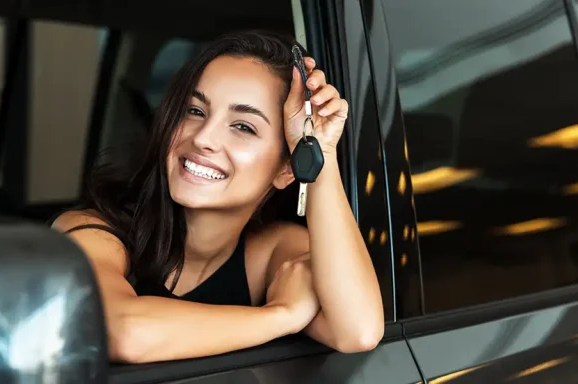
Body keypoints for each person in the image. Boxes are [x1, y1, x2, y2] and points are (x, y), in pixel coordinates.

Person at [51, 30, 383, 364]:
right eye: (195, 111)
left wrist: (319, 152)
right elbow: (123, 333)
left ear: (286, 169)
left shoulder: (273, 252)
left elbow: (358, 331)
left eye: (243, 127)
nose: (203, 138)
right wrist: (283, 315)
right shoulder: (92, 230)